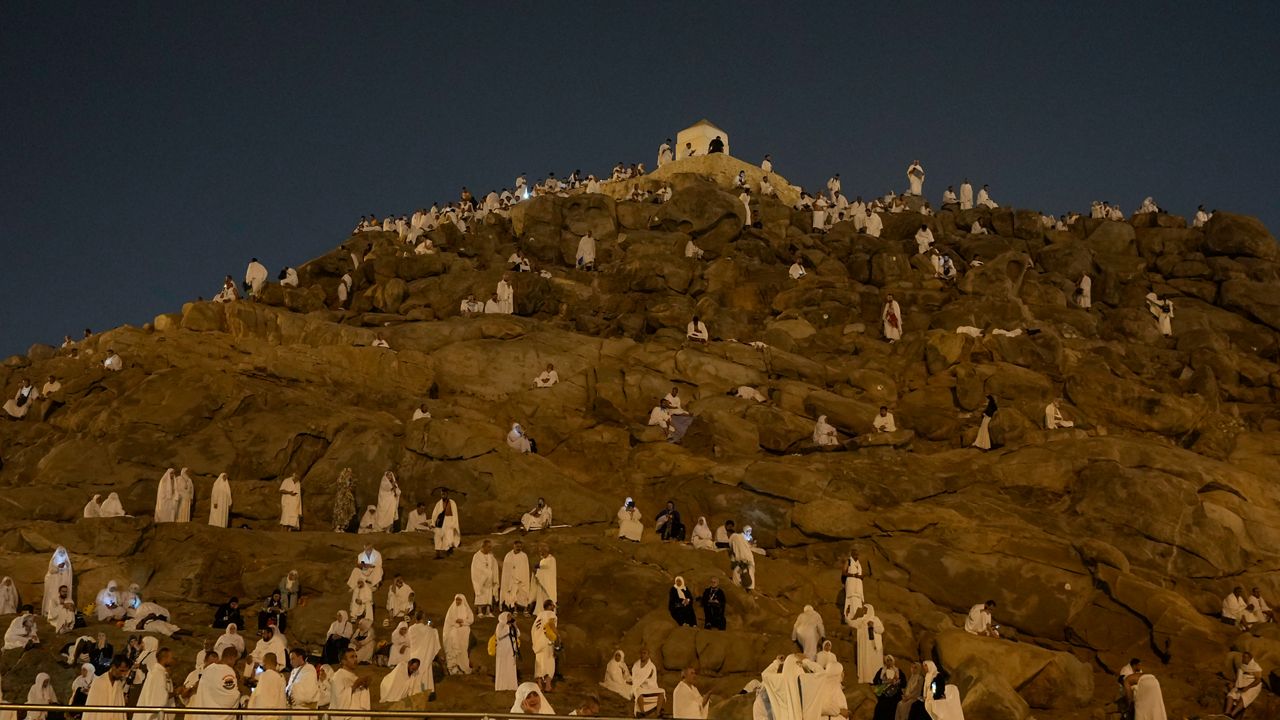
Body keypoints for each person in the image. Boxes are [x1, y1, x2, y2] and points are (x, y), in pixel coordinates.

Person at [134, 646, 176, 720]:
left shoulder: (160, 672)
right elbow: (160, 697)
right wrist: (176, 692)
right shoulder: (157, 674)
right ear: (164, 658)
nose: (173, 660)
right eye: (171, 658)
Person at [84, 656, 129, 720]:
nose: (124, 674)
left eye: (125, 671)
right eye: (121, 671)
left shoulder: (118, 684)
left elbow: (120, 709)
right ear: (113, 667)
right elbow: (90, 709)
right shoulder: (98, 682)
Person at [328, 650, 370, 718]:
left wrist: (365, 687)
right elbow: (338, 700)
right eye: (352, 657)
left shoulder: (355, 677)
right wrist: (354, 686)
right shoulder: (338, 676)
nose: (355, 659)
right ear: (343, 661)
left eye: (356, 656)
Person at [849, 605, 885, 684]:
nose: (863, 610)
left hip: (873, 644)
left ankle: (876, 678)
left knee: (874, 661)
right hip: (864, 645)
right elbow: (851, 623)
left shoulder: (875, 619)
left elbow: (881, 630)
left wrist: (873, 625)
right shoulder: (861, 620)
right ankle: (866, 678)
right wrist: (848, 615)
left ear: (870, 610)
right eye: (863, 609)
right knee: (866, 659)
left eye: (865, 609)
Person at [246, 652, 286, 720]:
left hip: (261, 714)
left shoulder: (262, 676)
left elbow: (257, 695)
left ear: (264, 662)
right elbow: (282, 699)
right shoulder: (281, 678)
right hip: (275, 715)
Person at [1225, 651, 1263, 718]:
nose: (1243, 658)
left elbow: (1258, 680)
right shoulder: (1242, 666)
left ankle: (1232, 715)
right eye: (1243, 657)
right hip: (1241, 683)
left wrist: (1247, 687)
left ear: (1250, 658)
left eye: (1245, 657)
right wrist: (1233, 684)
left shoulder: (1255, 667)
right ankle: (1227, 713)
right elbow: (1238, 678)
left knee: (1244, 697)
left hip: (1252, 684)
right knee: (1231, 695)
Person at [442, 594, 474, 675]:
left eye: (459, 600)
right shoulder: (452, 609)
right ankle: (454, 667)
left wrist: (462, 621)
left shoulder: (466, 609)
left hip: (464, 633)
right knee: (455, 648)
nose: (458, 601)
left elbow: (471, 620)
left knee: (463, 649)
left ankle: (463, 666)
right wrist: (456, 623)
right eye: (456, 600)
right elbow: (449, 621)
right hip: (455, 633)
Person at [531, 602, 558, 693]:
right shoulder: (550, 614)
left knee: (539, 662)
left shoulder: (539, 616)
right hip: (547, 641)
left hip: (538, 643)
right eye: (553, 605)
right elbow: (551, 624)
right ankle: (548, 686)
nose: (554, 607)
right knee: (549, 662)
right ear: (549, 606)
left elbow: (533, 630)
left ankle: (539, 685)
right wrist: (558, 636)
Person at [631, 648, 666, 717]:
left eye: (644, 653)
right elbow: (634, 677)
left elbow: (652, 679)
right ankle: (642, 712)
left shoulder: (651, 666)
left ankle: (658, 712)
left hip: (650, 687)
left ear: (648, 655)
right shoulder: (636, 665)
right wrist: (640, 681)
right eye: (641, 653)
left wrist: (647, 679)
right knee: (638, 692)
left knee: (662, 692)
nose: (642, 655)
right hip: (639, 686)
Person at [471, 539, 501, 617]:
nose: (490, 549)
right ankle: (480, 611)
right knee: (480, 594)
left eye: (490, 547)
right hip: (480, 580)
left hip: (489, 580)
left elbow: (494, 567)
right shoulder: (477, 556)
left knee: (489, 594)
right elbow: (476, 568)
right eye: (488, 547)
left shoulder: (490, 556)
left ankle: (488, 611)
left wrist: (493, 576)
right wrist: (484, 574)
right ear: (483, 547)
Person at [501, 540, 532, 615]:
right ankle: (515, 610)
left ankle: (525, 610)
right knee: (513, 594)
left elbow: (525, 568)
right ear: (513, 546)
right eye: (517, 546)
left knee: (524, 593)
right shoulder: (508, 555)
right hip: (512, 578)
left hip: (522, 578)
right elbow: (506, 568)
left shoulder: (524, 556)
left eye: (520, 547)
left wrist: (521, 577)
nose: (519, 548)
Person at [42, 546, 73, 618]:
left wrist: (66, 567)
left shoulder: (67, 562)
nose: (61, 553)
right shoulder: (54, 560)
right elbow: (51, 570)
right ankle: (49, 611)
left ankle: (63, 611)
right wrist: (58, 567)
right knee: (53, 595)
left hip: (63, 581)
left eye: (63, 552)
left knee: (63, 595)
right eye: (60, 552)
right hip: (54, 582)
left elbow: (69, 572)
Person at [493, 612, 521, 691]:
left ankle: (511, 685)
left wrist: (515, 626)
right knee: (502, 666)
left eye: (510, 616)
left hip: (511, 649)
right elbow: (499, 635)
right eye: (508, 616)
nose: (510, 617)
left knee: (510, 666)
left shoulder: (511, 625)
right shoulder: (500, 625)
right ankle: (501, 686)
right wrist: (507, 627)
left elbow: (518, 634)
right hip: (502, 650)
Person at [431, 489, 461, 558]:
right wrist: (433, 522)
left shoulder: (452, 503)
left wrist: (454, 523)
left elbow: (455, 514)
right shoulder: (439, 503)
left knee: (449, 535)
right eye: (442, 494)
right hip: (441, 522)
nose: (443, 495)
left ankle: (448, 550)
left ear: (447, 494)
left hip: (450, 520)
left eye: (444, 494)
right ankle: (438, 553)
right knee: (438, 536)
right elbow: (435, 514)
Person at [729, 526, 758, 590]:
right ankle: (743, 588)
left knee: (747, 572)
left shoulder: (736, 539)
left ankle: (748, 588)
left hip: (746, 563)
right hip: (742, 563)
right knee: (738, 572)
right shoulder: (739, 539)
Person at [842, 549, 865, 620]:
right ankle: (849, 617)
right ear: (852, 554)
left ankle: (858, 618)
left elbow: (861, 574)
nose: (856, 555)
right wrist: (854, 575)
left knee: (858, 600)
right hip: (851, 584)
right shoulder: (848, 561)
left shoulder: (858, 563)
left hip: (858, 585)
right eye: (855, 554)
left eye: (857, 554)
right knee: (851, 599)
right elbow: (843, 573)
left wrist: (861, 576)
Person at [533, 544, 557, 610]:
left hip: (549, 583)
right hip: (542, 582)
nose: (541, 553)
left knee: (549, 595)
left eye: (542, 551)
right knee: (541, 596)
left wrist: (537, 566)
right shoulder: (543, 560)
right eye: (540, 551)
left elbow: (543, 565)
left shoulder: (551, 559)